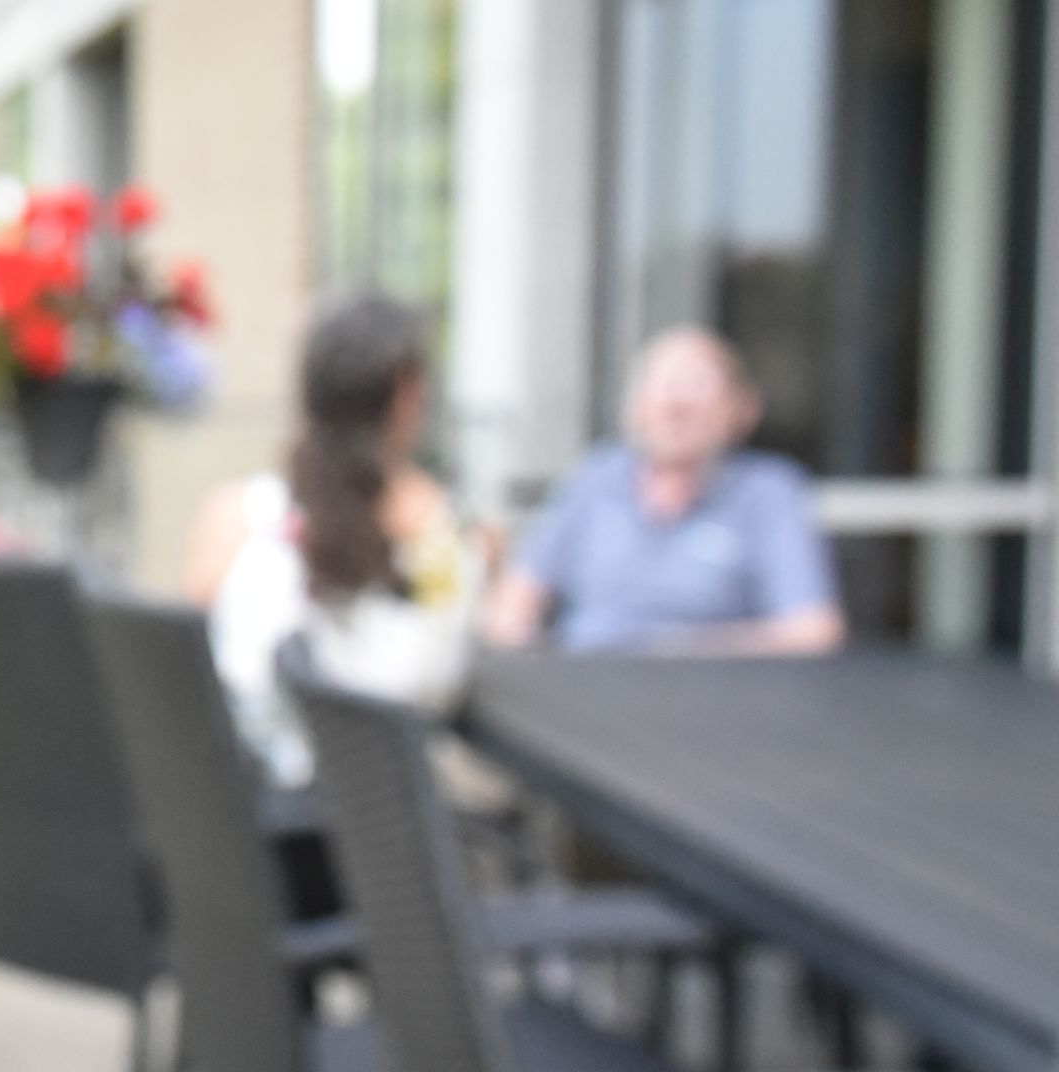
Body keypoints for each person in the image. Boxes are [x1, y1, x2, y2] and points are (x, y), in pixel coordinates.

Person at [187, 289, 482, 792]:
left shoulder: (233, 517)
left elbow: (186, 682)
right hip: (377, 844)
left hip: (241, 831)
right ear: (407, 392)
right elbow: (438, 685)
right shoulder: (436, 532)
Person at [483, 326, 845, 655]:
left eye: (698, 386)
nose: (675, 405)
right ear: (637, 406)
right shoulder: (595, 479)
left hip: (715, 702)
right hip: (584, 693)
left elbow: (812, 630)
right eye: (663, 385)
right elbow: (515, 601)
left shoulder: (768, 493)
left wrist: (673, 651)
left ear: (742, 409)